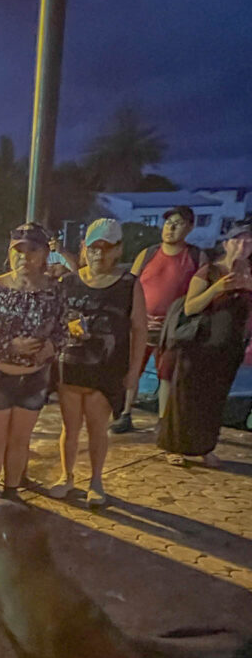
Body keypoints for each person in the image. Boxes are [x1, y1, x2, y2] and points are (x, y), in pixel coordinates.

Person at [49, 218, 147, 506]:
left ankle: (95, 481)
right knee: (69, 428)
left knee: (96, 429)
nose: (99, 255)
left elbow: (139, 330)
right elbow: (54, 323)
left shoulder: (129, 285)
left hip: (105, 372)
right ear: (84, 248)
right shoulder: (67, 282)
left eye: (106, 248)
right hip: (70, 368)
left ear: (118, 249)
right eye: (93, 248)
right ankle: (66, 477)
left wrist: (134, 372)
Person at [0, 222, 67, 499]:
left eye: (32, 250)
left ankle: (12, 492)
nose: (24, 257)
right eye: (18, 251)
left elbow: (63, 330)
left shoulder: (54, 290)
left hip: (35, 377)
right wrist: (12, 345)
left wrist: (51, 346)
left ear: (44, 254)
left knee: (20, 440)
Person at [157, 222, 252, 467]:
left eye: (248, 241)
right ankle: (173, 446)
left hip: (228, 348)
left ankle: (205, 447)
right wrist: (217, 289)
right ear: (227, 244)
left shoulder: (250, 274)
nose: (244, 245)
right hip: (198, 345)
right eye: (238, 240)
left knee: (214, 400)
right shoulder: (210, 271)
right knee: (185, 398)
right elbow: (190, 307)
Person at [111, 206, 206, 432]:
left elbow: (201, 292)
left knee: (167, 375)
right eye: (168, 222)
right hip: (141, 324)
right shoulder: (148, 253)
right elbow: (130, 285)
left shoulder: (196, 257)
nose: (170, 228)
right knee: (132, 369)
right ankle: (124, 414)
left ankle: (164, 422)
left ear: (190, 227)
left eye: (178, 223)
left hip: (172, 328)